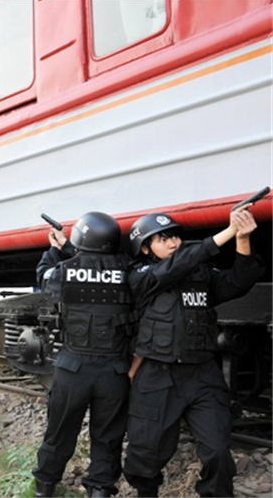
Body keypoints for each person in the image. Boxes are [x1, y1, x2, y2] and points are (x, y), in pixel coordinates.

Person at [122, 208, 265, 498]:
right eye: (163, 239)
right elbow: (176, 266)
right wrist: (226, 232)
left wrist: (243, 238)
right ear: (146, 248)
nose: (174, 243)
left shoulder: (200, 275)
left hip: (202, 375)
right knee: (146, 453)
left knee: (217, 451)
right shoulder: (142, 276)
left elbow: (239, 281)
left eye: (175, 236)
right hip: (158, 376)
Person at [31, 212, 135, 498]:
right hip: (115, 371)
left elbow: (45, 276)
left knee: (60, 432)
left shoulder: (64, 270)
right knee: (108, 437)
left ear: (79, 239)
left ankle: (45, 487)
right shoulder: (129, 270)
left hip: (73, 369)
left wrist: (54, 248)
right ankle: (100, 490)